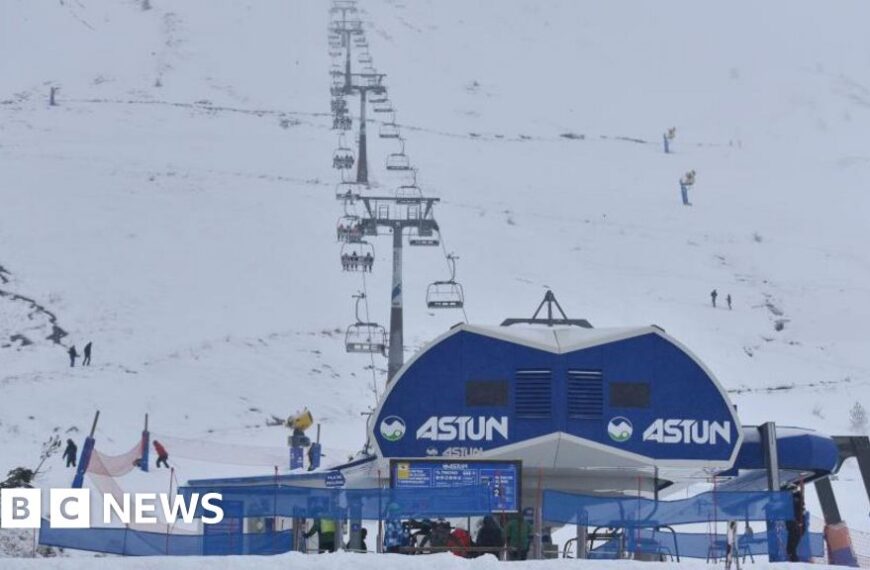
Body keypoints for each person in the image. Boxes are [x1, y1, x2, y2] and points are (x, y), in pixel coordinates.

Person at [786, 486, 806, 562]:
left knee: (791, 548)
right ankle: (793, 561)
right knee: (790, 548)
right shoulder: (794, 500)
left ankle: (795, 562)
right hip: (793, 527)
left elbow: (798, 507)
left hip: (796, 527)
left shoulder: (796, 500)